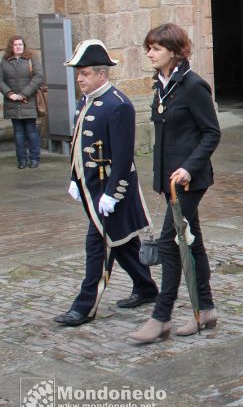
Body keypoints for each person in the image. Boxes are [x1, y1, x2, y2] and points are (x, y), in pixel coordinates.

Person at [53, 39, 158, 327]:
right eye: (79, 74)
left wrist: (113, 193)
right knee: (122, 243)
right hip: (93, 190)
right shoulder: (85, 103)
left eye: (84, 73)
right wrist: (74, 178)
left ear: (101, 74)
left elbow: (124, 157)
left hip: (112, 193)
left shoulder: (118, 105)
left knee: (97, 249)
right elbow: (77, 146)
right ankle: (146, 287)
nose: (79, 79)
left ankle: (84, 307)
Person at [129, 23, 221, 343]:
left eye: (155, 48)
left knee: (170, 243)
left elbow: (212, 133)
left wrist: (188, 168)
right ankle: (205, 310)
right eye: (149, 48)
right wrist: (159, 179)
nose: (150, 54)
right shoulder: (161, 85)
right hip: (170, 183)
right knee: (192, 242)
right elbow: (163, 138)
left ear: (174, 51)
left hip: (190, 181)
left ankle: (161, 316)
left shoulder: (193, 86)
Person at [1, 35, 44, 169]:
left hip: (28, 101)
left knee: (31, 131)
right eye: (15, 45)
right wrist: (10, 94)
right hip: (12, 103)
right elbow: (0, 80)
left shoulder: (32, 59)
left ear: (24, 46)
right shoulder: (5, 61)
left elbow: (38, 76)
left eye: (20, 44)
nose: (18, 46)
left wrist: (23, 94)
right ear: (11, 47)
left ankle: (34, 159)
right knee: (18, 132)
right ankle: (22, 160)